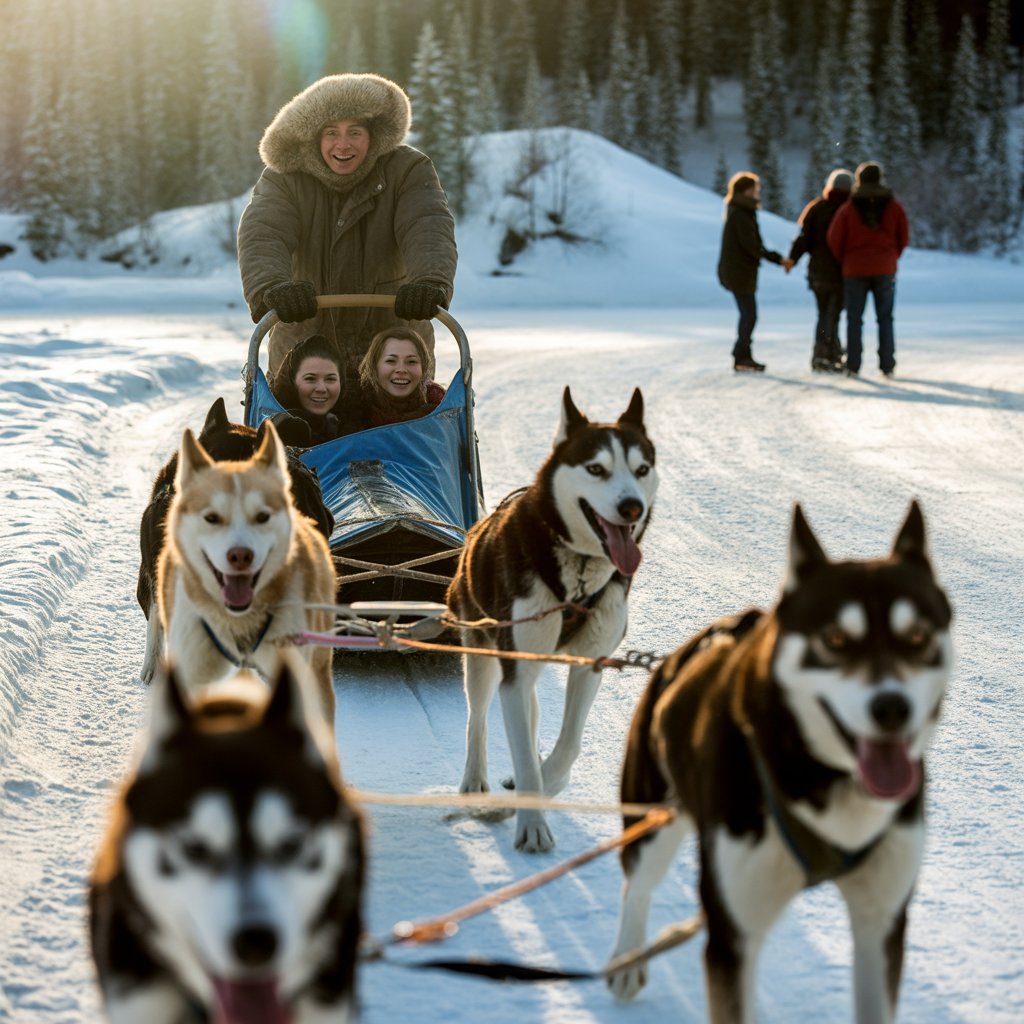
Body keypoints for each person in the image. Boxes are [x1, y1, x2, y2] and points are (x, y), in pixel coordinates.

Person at [237, 72, 457, 380]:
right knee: (296, 426)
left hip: (393, 341)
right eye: (331, 133)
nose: (343, 145)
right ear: (315, 137)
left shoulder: (408, 170)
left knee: (404, 426)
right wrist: (271, 288)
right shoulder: (284, 179)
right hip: (304, 342)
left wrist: (430, 282)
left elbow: (427, 225)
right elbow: (263, 233)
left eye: (355, 132)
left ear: (374, 135)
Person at [827, 161, 909, 378]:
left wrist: (846, 259)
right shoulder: (894, 207)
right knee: (885, 318)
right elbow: (903, 238)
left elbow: (834, 239)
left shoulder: (849, 208)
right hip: (885, 269)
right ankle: (887, 364)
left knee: (854, 319)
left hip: (854, 269)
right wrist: (890, 257)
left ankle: (853, 365)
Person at [717, 171, 792, 372]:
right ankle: (741, 355)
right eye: (754, 190)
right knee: (749, 314)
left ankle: (742, 354)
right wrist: (778, 259)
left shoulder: (740, 211)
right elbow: (752, 245)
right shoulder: (741, 213)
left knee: (748, 314)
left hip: (740, 271)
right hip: (738, 272)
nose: (757, 193)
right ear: (746, 191)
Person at [787, 168, 852, 373]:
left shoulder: (817, 208)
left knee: (824, 314)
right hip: (840, 273)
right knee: (831, 315)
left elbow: (803, 239)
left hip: (817, 273)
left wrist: (792, 259)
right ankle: (824, 356)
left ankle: (827, 354)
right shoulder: (850, 210)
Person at [268, 334, 357, 446]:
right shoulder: (283, 427)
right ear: (293, 381)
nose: (321, 389)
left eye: (330, 379)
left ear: (341, 381)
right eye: (310, 378)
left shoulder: (353, 416)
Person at [357, 326, 446, 429]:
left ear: (423, 368)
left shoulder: (442, 407)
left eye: (411, 361)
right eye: (391, 361)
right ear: (374, 367)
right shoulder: (354, 408)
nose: (401, 369)